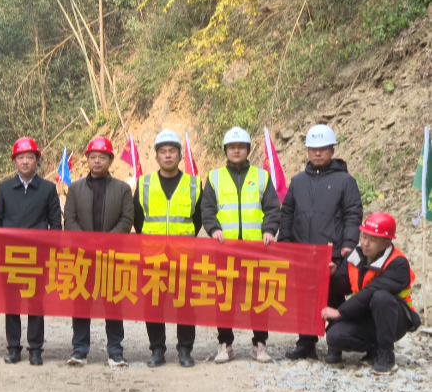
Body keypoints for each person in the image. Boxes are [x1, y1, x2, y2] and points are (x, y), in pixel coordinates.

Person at [280, 124, 363, 363]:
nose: (318, 153)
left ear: (332, 150)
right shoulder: (298, 181)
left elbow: (352, 213)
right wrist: (285, 242)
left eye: (323, 149)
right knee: (304, 299)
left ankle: (335, 344)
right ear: (307, 151)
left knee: (333, 298)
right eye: (313, 149)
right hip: (303, 252)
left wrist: (348, 242)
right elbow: (288, 214)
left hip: (332, 253)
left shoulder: (345, 181)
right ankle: (306, 344)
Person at [201, 126, 280, 364]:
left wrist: (269, 231)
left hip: (257, 249)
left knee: (259, 298)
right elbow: (207, 209)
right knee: (225, 298)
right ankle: (225, 344)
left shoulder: (261, 176)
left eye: (241, 147)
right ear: (226, 150)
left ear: (248, 149)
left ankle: (260, 344)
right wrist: (213, 229)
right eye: (232, 147)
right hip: (225, 250)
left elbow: (273, 209)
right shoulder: (214, 177)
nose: (236, 151)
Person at [133, 129, 202, 368]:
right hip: (152, 256)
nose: (168, 156)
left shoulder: (193, 184)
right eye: (163, 152)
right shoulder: (144, 183)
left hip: (184, 257)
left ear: (180, 155)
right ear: (156, 156)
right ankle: (157, 349)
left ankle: (185, 349)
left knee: (185, 304)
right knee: (153, 304)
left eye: (172, 151)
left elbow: (198, 218)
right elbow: (138, 218)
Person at [63, 136, 134, 368]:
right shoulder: (74, 189)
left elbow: (126, 220)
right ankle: (79, 350)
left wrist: (105, 242)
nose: (97, 161)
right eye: (93, 157)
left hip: (111, 257)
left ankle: (115, 351)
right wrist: (86, 242)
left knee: (113, 304)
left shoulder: (123, 189)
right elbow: (69, 220)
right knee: (81, 303)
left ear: (110, 160)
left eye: (102, 157)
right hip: (82, 257)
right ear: (87, 160)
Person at [0, 137, 61, 366]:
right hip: (10, 256)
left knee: (35, 303)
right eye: (20, 157)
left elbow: (55, 225)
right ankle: (13, 348)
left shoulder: (48, 189)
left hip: (37, 257)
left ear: (37, 161)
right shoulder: (4, 189)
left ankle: (35, 349)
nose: (24, 161)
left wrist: (51, 254)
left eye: (29, 157)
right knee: (11, 303)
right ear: (14, 162)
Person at [323, 212, 420, 374]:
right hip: (365, 314)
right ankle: (373, 347)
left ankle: (386, 354)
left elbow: (371, 291)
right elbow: (345, 286)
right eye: (364, 237)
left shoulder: (398, 263)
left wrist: (340, 312)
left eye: (372, 240)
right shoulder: (356, 255)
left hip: (394, 318)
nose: (366, 243)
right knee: (334, 336)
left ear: (387, 241)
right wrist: (333, 277)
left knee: (380, 296)